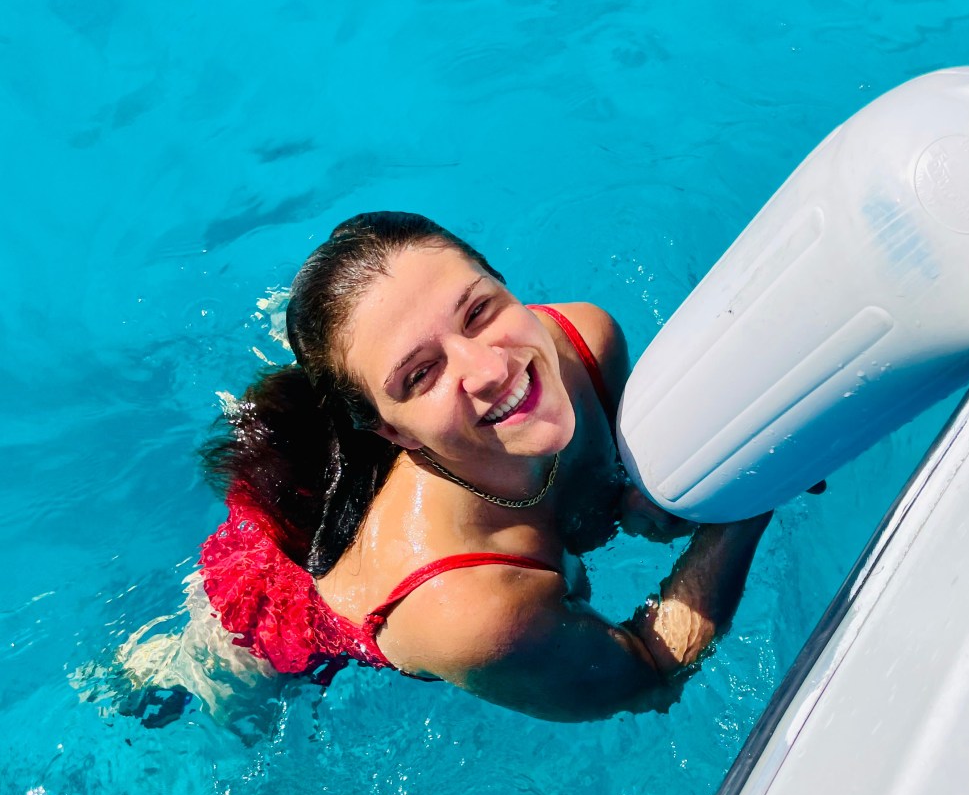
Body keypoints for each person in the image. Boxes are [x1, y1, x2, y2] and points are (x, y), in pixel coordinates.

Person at [199, 211, 771, 722]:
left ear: (506, 285)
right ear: (391, 430)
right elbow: (645, 676)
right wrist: (758, 485)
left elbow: (621, 496)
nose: (491, 369)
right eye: (421, 373)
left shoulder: (583, 342)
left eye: (478, 310)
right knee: (195, 698)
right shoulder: (470, 611)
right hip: (278, 605)